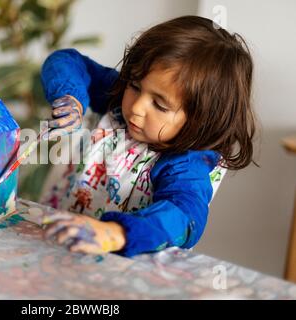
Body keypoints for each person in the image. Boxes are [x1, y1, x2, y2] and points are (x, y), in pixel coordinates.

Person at [38, 15, 257, 257]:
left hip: (123, 270)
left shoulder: (186, 164)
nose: (136, 107)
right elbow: (66, 61)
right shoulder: (117, 96)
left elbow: (183, 217)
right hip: (61, 239)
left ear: (201, 120)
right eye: (134, 85)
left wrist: (115, 233)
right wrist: (70, 97)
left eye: (160, 105)